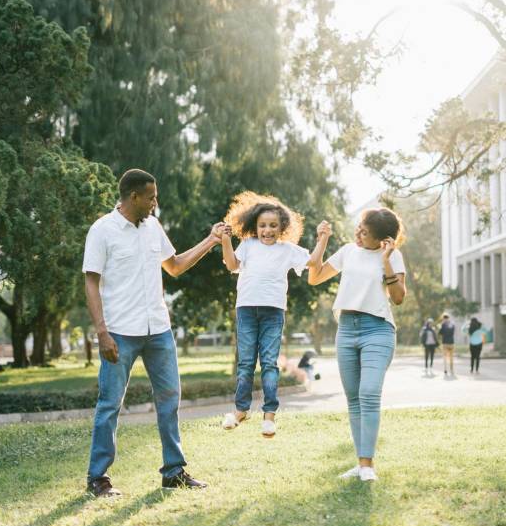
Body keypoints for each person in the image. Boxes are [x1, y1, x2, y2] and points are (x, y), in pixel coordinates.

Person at [83, 168, 225, 497]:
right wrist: (102, 332)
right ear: (133, 196)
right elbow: (90, 281)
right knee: (109, 404)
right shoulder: (103, 230)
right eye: (151, 197)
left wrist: (211, 240)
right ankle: (98, 477)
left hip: (158, 329)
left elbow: (174, 265)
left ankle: (173, 472)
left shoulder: (153, 227)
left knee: (169, 400)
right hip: (119, 332)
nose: (155, 202)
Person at [308, 207, 406, 482]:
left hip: (378, 329)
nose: (359, 234)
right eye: (359, 228)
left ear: (383, 240)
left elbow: (398, 297)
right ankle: (361, 463)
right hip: (347, 329)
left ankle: (367, 465)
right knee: (354, 400)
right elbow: (314, 278)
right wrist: (323, 240)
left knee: (369, 392)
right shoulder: (349, 251)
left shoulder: (393, 255)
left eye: (365, 232)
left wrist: (386, 260)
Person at [219, 191, 329, 438]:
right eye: (262, 226)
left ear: (282, 228)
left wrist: (323, 238)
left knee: (269, 363)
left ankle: (269, 417)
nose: (267, 230)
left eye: (273, 226)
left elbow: (312, 261)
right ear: (254, 227)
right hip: (246, 309)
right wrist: (225, 241)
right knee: (246, 363)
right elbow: (232, 265)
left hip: (273, 312)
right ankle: (240, 411)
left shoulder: (287, 250)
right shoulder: (247, 245)